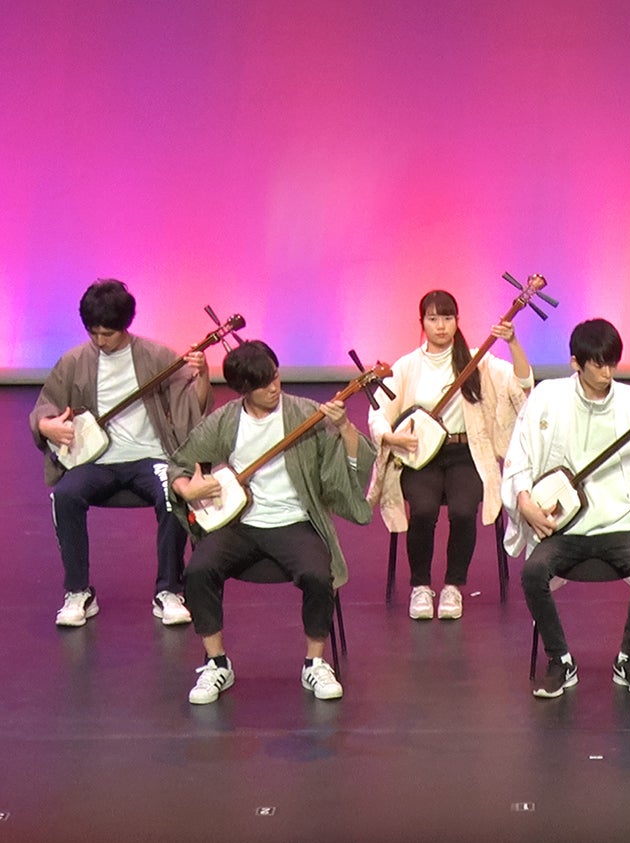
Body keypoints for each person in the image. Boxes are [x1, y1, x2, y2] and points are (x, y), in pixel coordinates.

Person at [169, 340, 375, 704]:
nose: (274, 388)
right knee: (198, 570)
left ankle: (314, 663)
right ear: (243, 389)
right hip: (241, 523)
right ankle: (217, 663)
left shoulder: (305, 413)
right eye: (264, 384)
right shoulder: (226, 420)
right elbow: (181, 463)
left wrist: (344, 427)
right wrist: (187, 488)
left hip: (294, 520)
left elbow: (344, 469)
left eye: (276, 377)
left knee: (318, 574)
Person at [503, 319, 630, 699]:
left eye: (613, 363)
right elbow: (519, 456)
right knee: (533, 573)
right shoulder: (548, 398)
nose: (608, 373)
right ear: (576, 362)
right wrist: (524, 501)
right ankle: (560, 659)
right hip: (565, 527)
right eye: (598, 364)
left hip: (619, 524)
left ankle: (629, 657)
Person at [30, 279, 212, 628]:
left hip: (150, 456)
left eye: (108, 334)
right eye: (93, 333)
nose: (100, 341)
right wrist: (47, 425)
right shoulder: (74, 361)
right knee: (65, 495)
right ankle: (78, 591)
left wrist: (202, 376)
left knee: (174, 494)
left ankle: (169, 591)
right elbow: (46, 405)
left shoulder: (157, 357)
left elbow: (191, 407)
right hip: (96, 460)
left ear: (125, 325)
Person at [368, 290, 532, 621]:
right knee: (423, 510)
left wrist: (513, 342)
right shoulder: (407, 366)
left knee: (462, 510)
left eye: (447, 318)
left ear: (457, 321)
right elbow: (379, 411)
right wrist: (390, 436)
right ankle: (420, 587)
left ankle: (453, 586)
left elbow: (522, 383)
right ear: (422, 322)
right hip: (422, 455)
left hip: (466, 453)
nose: (441, 326)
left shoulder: (477, 360)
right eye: (433, 319)